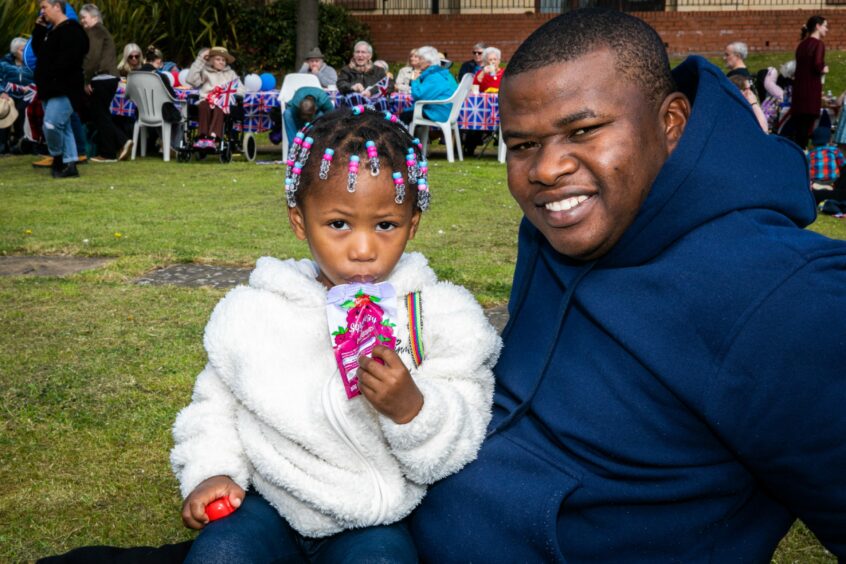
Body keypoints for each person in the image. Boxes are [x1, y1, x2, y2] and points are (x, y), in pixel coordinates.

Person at [410, 8, 846, 561]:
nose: (545, 169)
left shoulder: (787, 297)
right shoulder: (560, 227)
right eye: (522, 145)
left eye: (583, 130)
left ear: (672, 123)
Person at [171, 106, 500, 563]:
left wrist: (413, 409)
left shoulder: (440, 313)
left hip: (370, 516)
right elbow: (214, 407)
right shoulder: (252, 311)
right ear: (300, 221)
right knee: (221, 554)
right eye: (338, 224)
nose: (363, 250)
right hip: (268, 503)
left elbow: (469, 422)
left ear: (413, 224)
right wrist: (213, 471)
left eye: (385, 225)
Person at [32, 0, 89, 178]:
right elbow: (39, 53)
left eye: (44, 7)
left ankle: (58, 157)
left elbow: (69, 60)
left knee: (51, 124)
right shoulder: (52, 31)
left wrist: (51, 76)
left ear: (57, 7)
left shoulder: (72, 30)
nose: (42, 12)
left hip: (64, 88)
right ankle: (70, 164)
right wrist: (39, 29)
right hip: (50, 88)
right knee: (63, 127)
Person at [78, 3, 132, 163]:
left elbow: (92, 58)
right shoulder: (102, 31)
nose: (82, 21)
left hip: (101, 78)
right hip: (109, 78)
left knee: (98, 114)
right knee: (101, 114)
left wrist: (86, 79)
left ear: (94, 17)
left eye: (84, 17)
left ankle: (111, 150)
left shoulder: (95, 31)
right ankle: (116, 146)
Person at [185, 46, 244, 149]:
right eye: (218, 59)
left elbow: (241, 90)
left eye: (224, 60)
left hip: (223, 103)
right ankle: (202, 137)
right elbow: (191, 80)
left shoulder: (231, 74)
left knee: (219, 108)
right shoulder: (205, 72)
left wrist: (231, 95)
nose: (222, 62)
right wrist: (200, 60)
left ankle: (214, 138)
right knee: (203, 106)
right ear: (211, 60)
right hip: (207, 100)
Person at [792, 15, 828, 150]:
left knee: (799, 131)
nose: (827, 29)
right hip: (811, 92)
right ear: (818, 26)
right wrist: (824, 68)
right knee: (806, 130)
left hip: (799, 93)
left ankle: (796, 156)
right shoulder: (818, 44)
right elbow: (817, 65)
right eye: (825, 26)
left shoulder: (801, 45)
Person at [398, 46, 457, 125]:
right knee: (409, 113)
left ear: (429, 62)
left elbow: (419, 96)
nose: (418, 61)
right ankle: (419, 137)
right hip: (444, 110)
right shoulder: (440, 73)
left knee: (404, 116)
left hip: (438, 113)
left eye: (421, 59)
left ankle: (406, 137)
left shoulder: (434, 76)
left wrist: (415, 80)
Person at [0, 37, 34, 154]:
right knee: (5, 109)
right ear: (14, 52)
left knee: (24, 112)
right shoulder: (4, 63)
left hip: (28, 95)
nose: (25, 52)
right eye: (21, 50)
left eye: (26, 50)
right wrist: (2, 91)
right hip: (8, 95)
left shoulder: (32, 62)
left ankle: (21, 144)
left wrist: (30, 88)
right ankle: (3, 144)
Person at [807, 125, 846, 201]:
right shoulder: (834, 150)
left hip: (815, 180)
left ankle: (817, 186)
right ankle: (828, 186)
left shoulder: (810, 154)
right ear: (830, 140)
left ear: (813, 142)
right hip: (832, 179)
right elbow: (843, 164)